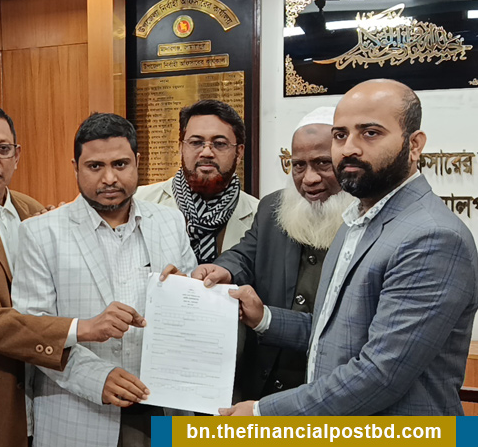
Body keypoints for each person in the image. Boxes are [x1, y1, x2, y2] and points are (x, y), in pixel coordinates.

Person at [221, 79, 478, 416]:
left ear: (414, 145)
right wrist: (264, 318)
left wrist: (263, 414)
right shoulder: (354, 223)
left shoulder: (432, 237)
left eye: (370, 133)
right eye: (340, 135)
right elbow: (331, 334)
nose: (349, 148)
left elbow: (379, 374)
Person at [0, 103, 146, 447]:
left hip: (48, 394)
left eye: (3, 149)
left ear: (17, 155)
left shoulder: (33, 210)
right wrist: (80, 328)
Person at [12, 113, 198, 447]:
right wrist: (99, 378)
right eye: (95, 166)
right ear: (75, 168)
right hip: (78, 413)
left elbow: (192, 317)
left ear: (137, 162)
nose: (109, 178)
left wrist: (186, 295)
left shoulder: (170, 222)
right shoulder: (39, 233)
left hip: (164, 409)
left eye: (120, 164)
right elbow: (32, 329)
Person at [193, 107, 353, 400]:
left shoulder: (366, 219)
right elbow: (246, 253)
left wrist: (266, 318)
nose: (309, 178)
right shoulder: (272, 207)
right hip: (258, 390)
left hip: (326, 394)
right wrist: (223, 269)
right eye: (299, 165)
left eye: (322, 163)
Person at [135, 99, 258, 264]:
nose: (206, 152)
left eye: (220, 144)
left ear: (239, 152)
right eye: (196, 142)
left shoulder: (259, 217)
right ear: (181, 148)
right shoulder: (139, 203)